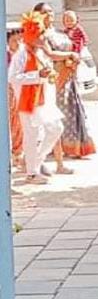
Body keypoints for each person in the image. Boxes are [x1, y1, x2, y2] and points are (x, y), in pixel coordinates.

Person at [34, 3, 94, 161]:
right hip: (54, 78)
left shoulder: (61, 32)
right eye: (44, 12)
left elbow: (77, 45)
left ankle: (75, 147)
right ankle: (56, 148)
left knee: (72, 110)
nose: (49, 14)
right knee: (57, 114)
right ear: (37, 15)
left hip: (69, 75)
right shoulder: (40, 35)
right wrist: (70, 55)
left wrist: (74, 58)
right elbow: (50, 54)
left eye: (51, 11)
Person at [10, 12, 64, 185]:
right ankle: (32, 173)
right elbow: (13, 78)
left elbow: (44, 72)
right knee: (32, 136)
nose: (43, 38)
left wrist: (48, 75)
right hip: (27, 101)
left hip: (43, 100)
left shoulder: (40, 53)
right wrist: (36, 75)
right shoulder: (21, 54)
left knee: (56, 128)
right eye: (40, 35)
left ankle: (35, 163)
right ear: (32, 37)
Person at [7, 22, 24, 170]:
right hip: (9, 94)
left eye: (20, 40)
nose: (17, 43)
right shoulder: (6, 56)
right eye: (14, 40)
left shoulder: (24, 56)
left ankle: (19, 154)